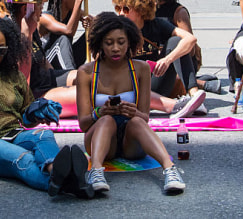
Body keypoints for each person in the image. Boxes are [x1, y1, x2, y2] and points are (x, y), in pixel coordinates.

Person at [0, 15, 93, 197]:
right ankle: (70, 183)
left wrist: (39, 112)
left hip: (16, 133)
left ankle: (55, 169)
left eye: (1, 50)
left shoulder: (14, 76)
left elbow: (26, 119)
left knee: (43, 133)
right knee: (23, 159)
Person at [76, 12, 186, 194]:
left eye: (121, 42)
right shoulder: (86, 72)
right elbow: (83, 124)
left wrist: (132, 112)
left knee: (136, 121)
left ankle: (170, 170)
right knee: (107, 120)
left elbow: (145, 118)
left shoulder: (140, 69)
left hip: (131, 142)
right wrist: (100, 113)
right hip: (100, 137)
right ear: (100, 43)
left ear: (130, 42)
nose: (115, 48)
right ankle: (96, 171)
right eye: (109, 43)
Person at [111, 0, 204, 114]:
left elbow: (190, 39)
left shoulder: (156, 24)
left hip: (155, 83)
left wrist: (167, 60)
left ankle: (194, 96)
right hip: (129, 89)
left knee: (176, 41)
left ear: (139, 8)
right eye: (117, 9)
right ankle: (177, 104)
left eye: (125, 9)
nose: (120, 13)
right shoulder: (116, 29)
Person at [144, 0, 218, 94]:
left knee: (176, 41)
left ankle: (192, 86)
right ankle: (198, 83)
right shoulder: (145, 9)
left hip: (173, 60)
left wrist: (167, 56)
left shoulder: (178, 12)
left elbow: (190, 49)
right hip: (151, 62)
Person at [37, 0, 91, 70]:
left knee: (92, 32)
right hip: (49, 64)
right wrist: (79, 0)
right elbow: (69, 31)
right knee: (63, 38)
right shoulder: (45, 17)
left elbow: (98, 22)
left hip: (67, 59)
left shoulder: (72, 12)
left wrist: (90, 23)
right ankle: (71, 75)